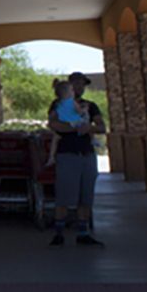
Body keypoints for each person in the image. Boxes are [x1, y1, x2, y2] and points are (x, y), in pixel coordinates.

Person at [47, 70, 106, 246]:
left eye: (83, 84)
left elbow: (101, 126)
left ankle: (83, 233)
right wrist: (74, 128)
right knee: (64, 196)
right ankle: (58, 233)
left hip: (87, 154)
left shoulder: (91, 105)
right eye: (77, 83)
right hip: (67, 155)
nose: (80, 87)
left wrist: (89, 128)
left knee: (85, 196)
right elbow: (53, 124)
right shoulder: (58, 104)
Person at [44, 79, 87, 166]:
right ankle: (94, 140)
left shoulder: (58, 103)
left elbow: (52, 115)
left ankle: (51, 156)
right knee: (85, 125)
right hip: (75, 122)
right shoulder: (72, 102)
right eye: (72, 90)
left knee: (55, 140)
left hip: (63, 122)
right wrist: (84, 110)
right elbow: (79, 111)